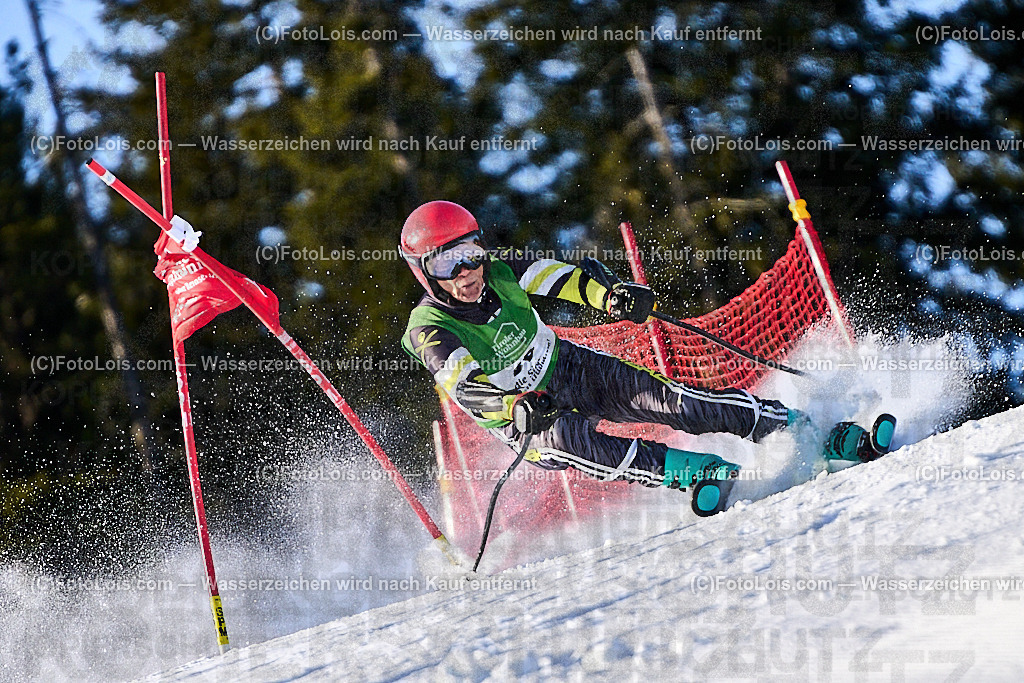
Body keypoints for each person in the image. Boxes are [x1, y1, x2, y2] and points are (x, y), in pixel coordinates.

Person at [399, 201, 862, 516]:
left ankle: (804, 429)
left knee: (677, 402)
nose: (466, 272)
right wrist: (513, 406)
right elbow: (464, 383)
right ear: (424, 273)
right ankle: (692, 473)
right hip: (527, 420)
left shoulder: (499, 272)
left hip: (567, 367)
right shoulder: (429, 328)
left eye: (471, 253)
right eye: (446, 264)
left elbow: (560, 278)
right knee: (575, 443)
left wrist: (612, 298)